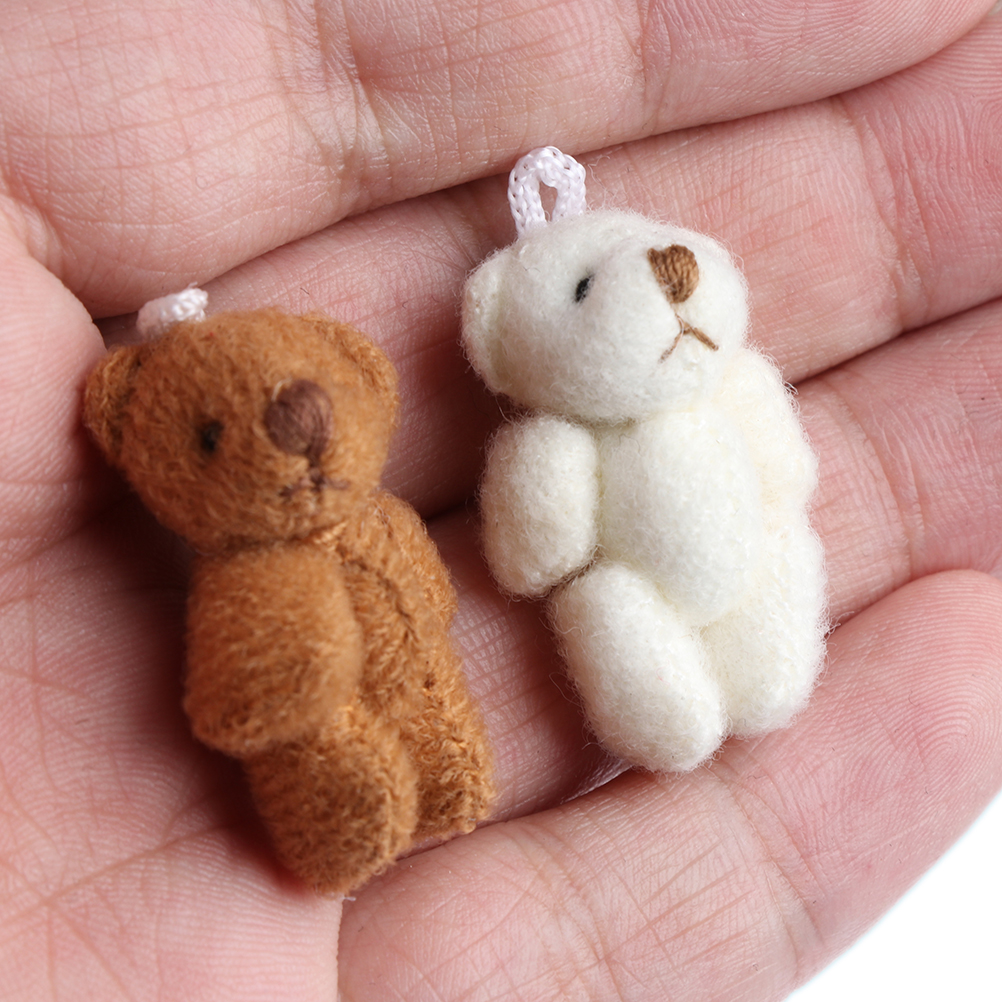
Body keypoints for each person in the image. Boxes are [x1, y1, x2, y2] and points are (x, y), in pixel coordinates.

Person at [1, 1, 1000, 998]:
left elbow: (783, 474)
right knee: (595, 611)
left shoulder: (733, 385)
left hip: (715, 575)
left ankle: (595, 720)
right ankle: (399, 784)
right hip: (420, 668)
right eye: (584, 291)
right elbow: (533, 558)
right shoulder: (548, 444)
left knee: (752, 590)